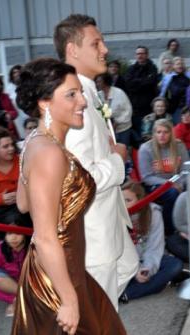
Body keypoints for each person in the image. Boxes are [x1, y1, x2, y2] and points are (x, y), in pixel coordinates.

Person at [12, 57, 126, 334]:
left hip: (62, 269)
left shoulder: (35, 143)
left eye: (80, 93)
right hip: (59, 279)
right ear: (44, 102)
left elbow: (22, 203)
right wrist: (69, 300)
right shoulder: (49, 153)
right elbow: (45, 235)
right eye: (71, 95)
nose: (83, 102)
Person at [55, 14, 139, 310]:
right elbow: (79, 178)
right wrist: (118, 159)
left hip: (109, 216)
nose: (105, 49)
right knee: (98, 311)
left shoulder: (89, 92)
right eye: (96, 43)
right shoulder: (72, 101)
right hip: (92, 229)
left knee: (129, 266)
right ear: (72, 49)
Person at [120, 181, 183, 301]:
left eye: (128, 200)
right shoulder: (115, 214)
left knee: (175, 265)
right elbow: (118, 253)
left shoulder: (153, 213)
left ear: (140, 201)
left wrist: (147, 269)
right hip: (125, 262)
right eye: (121, 200)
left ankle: (127, 292)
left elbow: (155, 247)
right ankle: (154, 286)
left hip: (148, 257)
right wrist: (135, 270)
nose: (123, 205)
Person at [138, 119, 190, 235]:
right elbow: (147, 177)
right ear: (154, 133)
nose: (162, 135)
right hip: (155, 185)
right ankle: (169, 231)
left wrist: (180, 184)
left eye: (166, 132)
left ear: (171, 133)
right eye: (159, 132)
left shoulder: (179, 146)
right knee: (172, 193)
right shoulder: (146, 148)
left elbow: (186, 170)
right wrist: (169, 184)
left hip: (178, 183)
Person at [0, 214, 29, 317]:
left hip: (29, 282)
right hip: (9, 286)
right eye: (9, 233)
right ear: (4, 235)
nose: (14, 237)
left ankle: (20, 299)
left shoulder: (32, 247)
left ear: (25, 234)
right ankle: (23, 297)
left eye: (18, 233)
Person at [0, 126, 20, 247]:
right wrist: (0, 199)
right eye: (5, 146)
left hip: (20, 207)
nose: (11, 149)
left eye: (12, 144)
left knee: (17, 219)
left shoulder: (22, 161)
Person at [124, 46, 159, 138]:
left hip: (148, 107)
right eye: (138, 54)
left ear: (147, 55)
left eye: (142, 53)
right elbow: (128, 84)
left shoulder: (152, 68)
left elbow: (150, 83)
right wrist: (143, 81)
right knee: (137, 135)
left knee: (148, 134)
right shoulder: (131, 69)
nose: (140, 56)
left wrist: (136, 82)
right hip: (135, 108)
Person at [96, 72, 133, 146]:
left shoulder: (119, 93)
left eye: (99, 81)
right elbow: (101, 112)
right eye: (96, 82)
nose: (97, 84)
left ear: (105, 81)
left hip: (123, 129)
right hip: (108, 129)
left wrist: (116, 122)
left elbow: (128, 111)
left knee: (123, 149)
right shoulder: (99, 95)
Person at [164, 57, 190, 124]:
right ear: (173, 66)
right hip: (176, 108)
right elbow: (175, 91)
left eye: (181, 64)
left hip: (188, 107)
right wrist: (186, 89)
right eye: (178, 64)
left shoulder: (188, 77)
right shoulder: (170, 78)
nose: (180, 66)